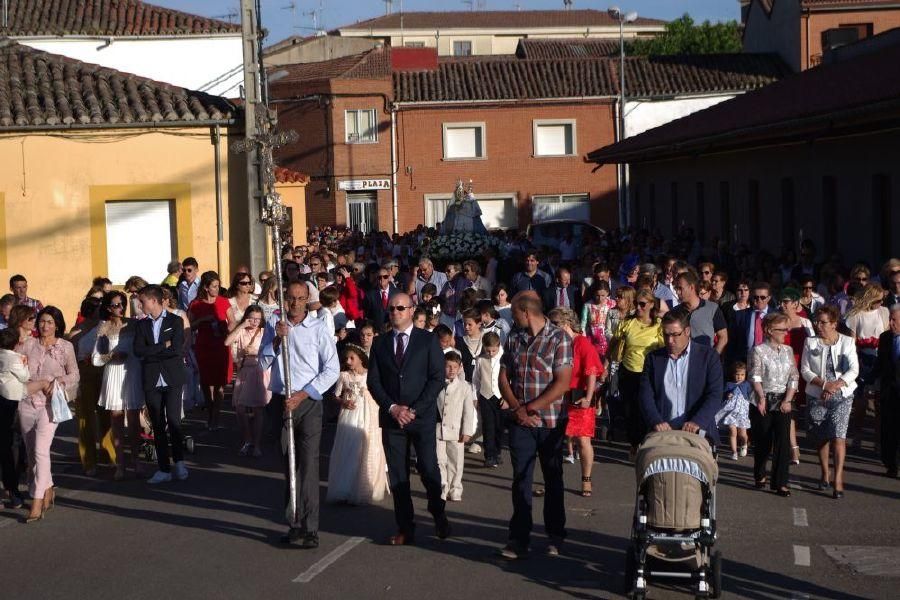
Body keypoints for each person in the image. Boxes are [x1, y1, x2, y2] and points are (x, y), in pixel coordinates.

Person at [259, 281, 339, 548]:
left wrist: (304, 394)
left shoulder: (317, 328)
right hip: (281, 403)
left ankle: (311, 528)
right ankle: (294, 523)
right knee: (289, 467)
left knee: (309, 464)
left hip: (308, 403)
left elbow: (332, 369)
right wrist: (276, 341)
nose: (295, 303)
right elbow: (262, 361)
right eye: (291, 298)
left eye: (300, 298)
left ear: (308, 300)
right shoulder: (275, 326)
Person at [367, 292, 449, 546]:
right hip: (392, 420)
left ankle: (438, 512)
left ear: (412, 310)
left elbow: (437, 378)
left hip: (421, 417)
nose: (395, 313)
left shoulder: (427, 340)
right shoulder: (380, 344)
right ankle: (406, 527)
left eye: (400, 308)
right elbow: (374, 381)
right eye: (391, 309)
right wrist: (392, 408)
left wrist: (414, 410)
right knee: (399, 476)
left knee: (428, 469)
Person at [498, 292, 573, 559]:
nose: (513, 318)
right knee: (521, 479)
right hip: (521, 421)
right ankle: (519, 537)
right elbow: (503, 377)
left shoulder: (559, 339)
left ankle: (555, 535)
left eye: (515, 313)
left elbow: (562, 383)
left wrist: (531, 407)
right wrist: (518, 409)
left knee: (553, 478)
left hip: (550, 421)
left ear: (525, 312)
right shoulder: (515, 338)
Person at [18, 306, 79, 522]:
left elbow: (74, 375)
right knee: (32, 451)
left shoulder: (66, 346)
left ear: (58, 325)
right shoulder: (27, 344)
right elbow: (15, 368)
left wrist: (58, 382)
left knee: (41, 451)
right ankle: (48, 487)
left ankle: (36, 501)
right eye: (42, 321)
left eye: (50, 322)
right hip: (26, 402)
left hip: (51, 404)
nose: (45, 326)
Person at [638, 308, 724, 447]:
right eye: (666, 335)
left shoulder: (708, 357)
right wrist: (655, 421)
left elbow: (715, 394)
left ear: (687, 331)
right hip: (663, 435)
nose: (670, 340)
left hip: (697, 435)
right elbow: (645, 395)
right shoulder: (653, 358)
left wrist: (698, 422)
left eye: (675, 335)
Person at [800, 305, 859, 499]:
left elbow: (854, 370)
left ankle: (838, 478)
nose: (819, 325)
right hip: (817, 393)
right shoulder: (811, 342)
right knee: (821, 437)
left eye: (823, 322)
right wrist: (824, 385)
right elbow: (806, 370)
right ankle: (825, 472)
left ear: (834, 324)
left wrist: (836, 385)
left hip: (842, 395)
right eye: (817, 321)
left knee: (838, 436)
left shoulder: (847, 342)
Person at [133, 285, 189, 485]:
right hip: (151, 378)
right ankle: (164, 468)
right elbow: (139, 350)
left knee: (173, 420)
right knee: (156, 423)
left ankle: (180, 461)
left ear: (154, 301)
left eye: (143, 301)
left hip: (172, 377)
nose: (140, 305)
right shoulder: (141, 325)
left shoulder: (175, 321)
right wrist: (160, 346)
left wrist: (153, 350)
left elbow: (175, 349)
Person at [549, 308, 603, 498]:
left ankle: (586, 479)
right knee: (556, 439)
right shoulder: (558, 342)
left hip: (580, 397)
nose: (551, 327)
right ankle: (554, 478)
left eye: (555, 324)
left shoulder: (582, 343)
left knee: (582, 440)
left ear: (566, 324)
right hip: (560, 395)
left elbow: (592, 371)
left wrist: (588, 398)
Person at [326, 344, 388, 505]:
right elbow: (335, 395)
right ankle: (345, 487)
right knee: (349, 447)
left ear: (361, 358)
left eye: (352, 358)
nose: (348, 361)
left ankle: (366, 487)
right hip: (350, 414)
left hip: (369, 413)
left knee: (369, 446)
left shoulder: (370, 376)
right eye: (346, 358)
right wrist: (343, 402)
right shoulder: (344, 376)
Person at [92, 291, 145, 480]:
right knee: (115, 419)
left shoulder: (134, 324)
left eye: (122, 303)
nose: (121, 308)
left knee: (133, 419)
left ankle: (137, 462)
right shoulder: (103, 327)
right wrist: (111, 356)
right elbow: (96, 358)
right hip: (113, 373)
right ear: (108, 308)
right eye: (116, 305)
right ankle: (120, 464)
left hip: (132, 371)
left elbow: (143, 348)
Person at [748, 313, 800, 496]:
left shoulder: (787, 350)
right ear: (770, 331)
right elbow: (755, 375)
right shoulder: (758, 350)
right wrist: (761, 397)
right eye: (782, 329)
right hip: (763, 399)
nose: (786, 333)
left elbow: (794, 376)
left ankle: (780, 482)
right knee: (763, 441)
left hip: (783, 400)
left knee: (783, 441)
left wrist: (788, 399)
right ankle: (760, 473)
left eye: (787, 329)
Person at [610, 289, 663, 456]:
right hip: (629, 372)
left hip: (649, 374)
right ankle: (634, 443)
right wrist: (605, 367)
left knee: (647, 409)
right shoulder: (628, 323)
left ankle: (648, 442)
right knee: (630, 410)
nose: (638, 307)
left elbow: (664, 349)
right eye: (636, 304)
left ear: (651, 305)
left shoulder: (659, 324)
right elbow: (613, 344)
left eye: (643, 304)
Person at [844, 284, 889, 448]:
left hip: (880, 358)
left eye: (882, 300)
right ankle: (857, 434)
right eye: (878, 300)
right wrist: (855, 362)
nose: (881, 303)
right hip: (862, 359)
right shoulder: (856, 315)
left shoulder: (884, 312)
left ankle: (878, 438)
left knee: (878, 400)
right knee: (861, 400)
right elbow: (852, 342)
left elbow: (887, 334)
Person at [189, 271, 233, 431]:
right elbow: (189, 326)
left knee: (220, 383)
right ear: (206, 288)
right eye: (214, 286)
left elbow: (233, 321)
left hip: (221, 345)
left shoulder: (223, 301)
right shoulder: (196, 304)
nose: (217, 289)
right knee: (206, 383)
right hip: (204, 346)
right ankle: (210, 411)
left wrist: (227, 328)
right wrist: (203, 320)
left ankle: (216, 415)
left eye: (218, 285)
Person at [224, 306, 270, 457]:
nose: (255, 322)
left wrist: (256, 352)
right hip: (244, 371)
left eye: (258, 318)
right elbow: (227, 342)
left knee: (258, 410)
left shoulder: (264, 332)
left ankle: (256, 444)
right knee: (240, 409)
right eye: (252, 318)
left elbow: (273, 350)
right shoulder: (242, 331)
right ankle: (247, 440)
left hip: (259, 370)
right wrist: (242, 325)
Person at [780, 288, 816, 465]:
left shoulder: (805, 322)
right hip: (783, 371)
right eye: (781, 301)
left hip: (802, 369)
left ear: (795, 304)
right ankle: (793, 447)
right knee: (789, 408)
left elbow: (814, 347)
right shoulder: (776, 321)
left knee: (801, 408)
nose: (782, 305)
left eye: (786, 301)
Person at [436, 351, 477, 502]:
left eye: (455, 366)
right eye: (448, 366)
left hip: (456, 430)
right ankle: (443, 487)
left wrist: (467, 430)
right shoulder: (436, 383)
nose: (452, 370)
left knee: (456, 462)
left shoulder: (465, 387)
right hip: (438, 429)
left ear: (460, 368)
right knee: (439, 460)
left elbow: (468, 411)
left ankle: (455, 488)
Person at [0, 328, 28, 507]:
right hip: (11, 402)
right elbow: (26, 376)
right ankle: (13, 489)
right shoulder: (14, 358)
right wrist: (24, 363)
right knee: (12, 445)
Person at [673, 271, 728, 355]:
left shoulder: (712, 308)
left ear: (691, 287)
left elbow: (723, 337)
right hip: (682, 363)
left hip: (705, 361)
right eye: (676, 288)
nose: (677, 292)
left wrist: (713, 358)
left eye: (680, 288)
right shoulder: (675, 312)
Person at [472, 332, 505, 468]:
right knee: (488, 426)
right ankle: (489, 455)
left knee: (499, 426)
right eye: (488, 350)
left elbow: (509, 380)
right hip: (485, 397)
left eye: (494, 350)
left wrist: (507, 398)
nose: (491, 353)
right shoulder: (480, 360)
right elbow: (475, 380)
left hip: (501, 398)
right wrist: (475, 397)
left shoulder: (503, 359)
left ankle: (497, 452)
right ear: (484, 347)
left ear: (498, 346)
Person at [876, 304, 900, 478]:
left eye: (894, 320)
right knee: (889, 430)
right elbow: (880, 364)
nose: (891, 323)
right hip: (889, 392)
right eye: (890, 319)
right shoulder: (884, 338)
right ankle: (891, 465)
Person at [727, 281, 773, 367]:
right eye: (756, 297)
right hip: (744, 364)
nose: (759, 300)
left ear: (769, 298)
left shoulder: (776, 316)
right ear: (752, 297)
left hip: (769, 363)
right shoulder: (739, 315)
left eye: (762, 297)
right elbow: (732, 342)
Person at [717, 361, 751, 460]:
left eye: (742, 375)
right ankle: (734, 452)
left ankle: (744, 444)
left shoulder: (747, 384)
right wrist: (727, 395)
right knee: (732, 432)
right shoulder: (729, 384)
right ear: (733, 374)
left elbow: (751, 396)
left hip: (742, 413)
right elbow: (722, 396)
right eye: (737, 374)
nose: (739, 377)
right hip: (731, 412)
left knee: (742, 434)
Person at [581, 280, 615, 359]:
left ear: (607, 293)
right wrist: (584, 341)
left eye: (603, 295)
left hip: (608, 341)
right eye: (597, 295)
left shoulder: (612, 304)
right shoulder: (588, 305)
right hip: (592, 341)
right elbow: (583, 325)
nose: (600, 298)